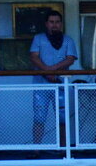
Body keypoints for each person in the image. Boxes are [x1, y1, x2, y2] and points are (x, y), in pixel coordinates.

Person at [30, 11, 78, 148]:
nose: (54, 25)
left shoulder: (68, 40)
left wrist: (51, 70)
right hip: (41, 85)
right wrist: (47, 71)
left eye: (57, 22)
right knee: (39, 117)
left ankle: (64, 149)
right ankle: (36, 149)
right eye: (51, 22)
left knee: (63, 118)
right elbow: (34, 57)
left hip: (61, 84)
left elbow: (70, 59)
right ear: (46, 24)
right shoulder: (38, 38)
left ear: (61, 24)